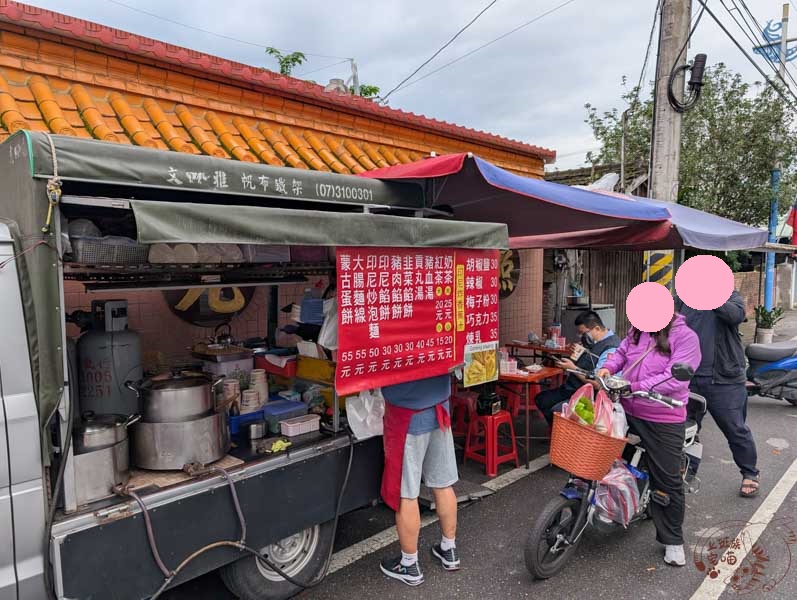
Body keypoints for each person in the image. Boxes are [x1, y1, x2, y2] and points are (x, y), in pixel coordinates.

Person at [597, 313, 701, 567]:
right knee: (609, 460)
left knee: (667, 479)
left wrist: (636, 386)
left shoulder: (686, 337)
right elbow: (621, 353)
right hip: (628, 408)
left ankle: (673, 540)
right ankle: (614, 505)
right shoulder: (637, 329)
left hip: (663, 416)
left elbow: (676, 377)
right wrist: (607, 367)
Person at [676, 290, 760, 497]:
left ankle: (749, 473)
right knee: (686, 431)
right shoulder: (681, 299)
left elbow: (735, 315)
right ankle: (686, 472)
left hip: (725, 379)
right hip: (689, 378)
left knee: (735, 429)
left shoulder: (730, 297)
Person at [379, 373, 460, 586]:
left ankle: (409, 563)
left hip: (406, 413)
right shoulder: (441, 336)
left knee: (407, 493)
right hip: (439, 405)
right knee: (443, 484)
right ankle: (449, 549)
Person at [536, 311, 621, 425]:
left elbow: (598, 383)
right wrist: (576, 355)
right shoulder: (594, 342)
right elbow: (586, 362)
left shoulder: (611, 348)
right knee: (542, 399)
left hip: (590, 394)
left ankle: (566, 436)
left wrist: (573, 368)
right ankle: (559, 434)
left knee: (556, 410)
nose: (581, 337)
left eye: (583, 333)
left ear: (596, 328)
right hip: (573, 388)